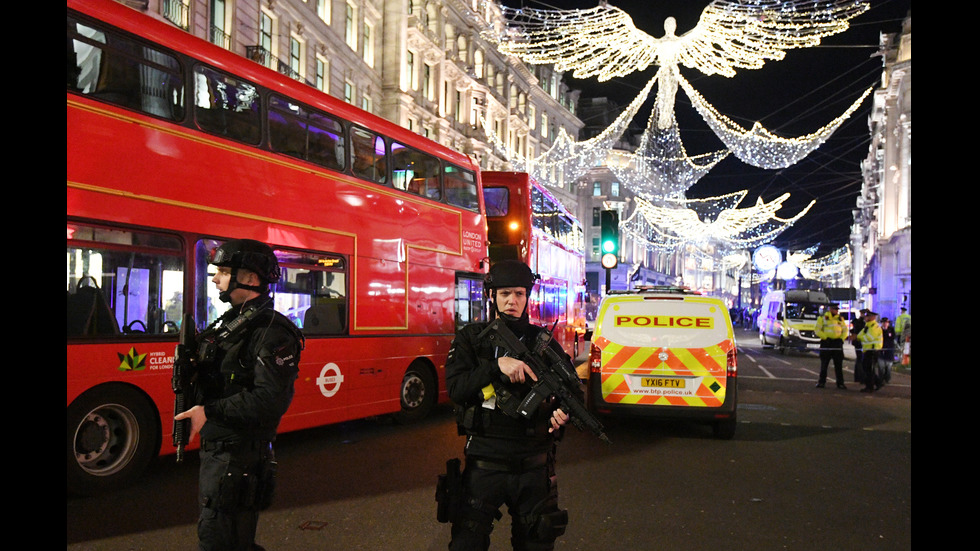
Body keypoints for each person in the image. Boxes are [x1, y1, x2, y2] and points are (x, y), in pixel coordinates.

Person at [175, 239, 304, 551]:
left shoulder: (272, 331)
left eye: (222, 271)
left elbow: (270, 400)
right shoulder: (234, 322)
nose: (215, 278)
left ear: (249, 278)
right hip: (222, 452)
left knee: (220, 540)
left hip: (239, 454)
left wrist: (210, 412)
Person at [444, 259, 572, 551]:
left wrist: (563, 411)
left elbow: (570, 388)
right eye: (505, 294)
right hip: (485, 465)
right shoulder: (471, 339)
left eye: (519, 294)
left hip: (534, 466)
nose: (512, 301)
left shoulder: (542, 342)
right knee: (467, 544)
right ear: (492, 296)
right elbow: (456, 389)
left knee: (537, 543)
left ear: (527, 297)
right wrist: (495, 366)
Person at [814, 303, 847, 389]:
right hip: (826, 343)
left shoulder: (840, 319)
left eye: (837, 309)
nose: (836, 311)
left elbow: (845, 330)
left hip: (837, 343)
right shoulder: (823, 318)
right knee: (824, 364)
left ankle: (840, 383)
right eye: (835, 309)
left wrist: (841, 339)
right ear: (830, 309)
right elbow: (817, 330)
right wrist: (825, 338)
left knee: (838, 365)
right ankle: (821, 382)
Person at [857, 311, 883, 393]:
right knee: (866, 368)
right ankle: (877, 383)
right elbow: (859, 336)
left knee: (869, 369)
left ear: (872, 317)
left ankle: (870, 386)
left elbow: (869, 337)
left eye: (867, 316)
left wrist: (862, 337)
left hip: (872, 351)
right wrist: (861, 337)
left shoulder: (875, 327)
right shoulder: (867, 326)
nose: (865, 318)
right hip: (867, 350)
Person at [850, 309, 867, 383]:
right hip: (859, 343)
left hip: (861, 343)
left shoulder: (861, 322)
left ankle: (858, 377)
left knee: (860, 360)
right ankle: (861, 377)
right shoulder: (859, 322)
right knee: (860, 360)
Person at [878, 317, 896, 385]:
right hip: (881, 349)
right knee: (881, 366)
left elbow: (892, 338)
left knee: (888, 366)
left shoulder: (891, 329)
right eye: (884, 322)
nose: (885, 324)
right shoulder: (879, 330)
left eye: (886, 322)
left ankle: (887, 378)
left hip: (889, 350)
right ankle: (881, 379)